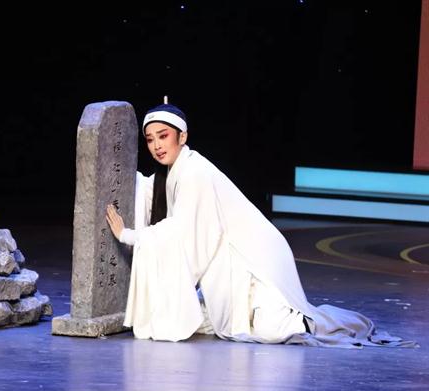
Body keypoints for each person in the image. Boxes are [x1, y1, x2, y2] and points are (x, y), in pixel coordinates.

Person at [105, 99, 415, 348]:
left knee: (275, 329)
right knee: (212, 320)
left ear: (182, 137)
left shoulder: (194, 171)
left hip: (252, 258)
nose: (157, 146)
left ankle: (320, 322)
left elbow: (182, 231)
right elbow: (152, 194)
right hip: (229, 259)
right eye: (150, 140)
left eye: (163, 136)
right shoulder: (175, 172)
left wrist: (130, 235)